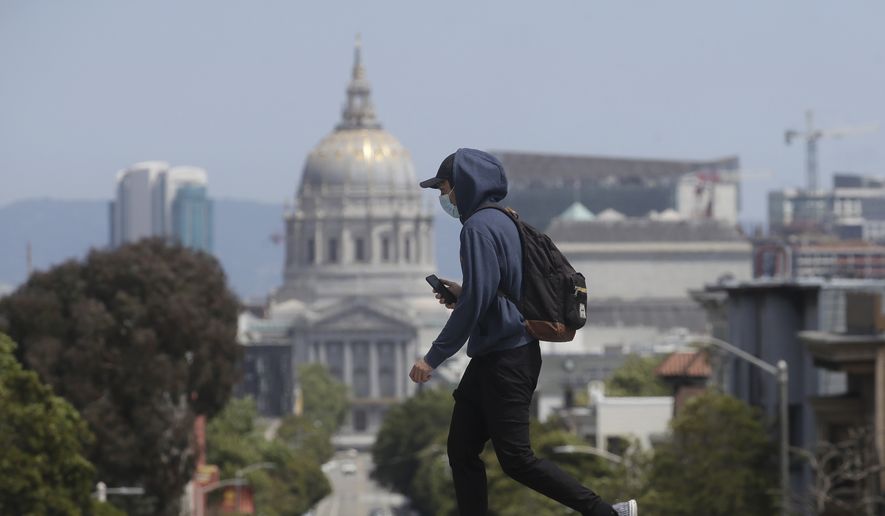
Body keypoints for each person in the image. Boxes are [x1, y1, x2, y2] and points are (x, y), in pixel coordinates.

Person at [409, 149, 638, 516]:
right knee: (461, 449)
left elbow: (478, 302)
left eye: (445, 188)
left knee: (516, 459)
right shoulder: (504, 221)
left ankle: (606, 513)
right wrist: (464, 292)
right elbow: (496, 291)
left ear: (463, 186)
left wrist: (432, 357)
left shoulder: (478, 228)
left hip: (507, 358)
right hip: (493, 357)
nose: (443, 197)